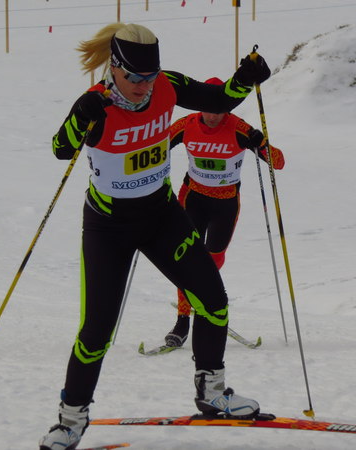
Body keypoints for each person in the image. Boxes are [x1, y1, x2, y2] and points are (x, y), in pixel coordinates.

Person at [39, 23, 271, 450]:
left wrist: (244, 78)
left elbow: (217, 99)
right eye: (135, 77)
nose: (144, 87)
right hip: (109, 226)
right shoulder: (96, 103)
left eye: (151, 77)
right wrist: (80, 117)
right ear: (114, 67)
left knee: (214, 301)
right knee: (96, 332)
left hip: (161, 215)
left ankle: (212, 391)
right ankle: (70, 420)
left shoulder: (166, 85)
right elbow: (60, 149)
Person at [163, 77, 285, 348]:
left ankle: (205, 305)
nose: (213, 116)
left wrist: (262, 143)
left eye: (219, 111)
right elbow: (155, 148)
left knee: (213, 260)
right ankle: (182, 320)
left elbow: (279, 162)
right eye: (208, 109)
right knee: (186, 258)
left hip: (225, 204)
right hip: (192, 198)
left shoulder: (239, 128)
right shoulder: (186, 125)